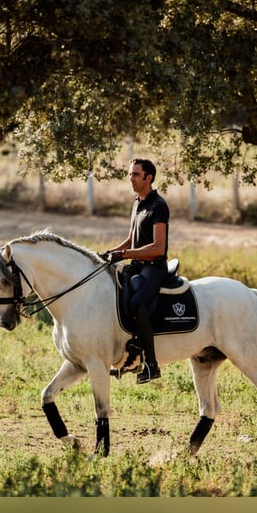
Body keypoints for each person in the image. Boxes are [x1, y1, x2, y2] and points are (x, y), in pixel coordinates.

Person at [105, 158, 169, 384]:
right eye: (130, 174)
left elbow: (158, 248)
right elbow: (132, 239)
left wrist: (126, 255)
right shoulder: (138, 203)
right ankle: (129, 355)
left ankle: (151, 364)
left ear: (148, 178)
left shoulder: (158, 206)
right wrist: (111, 252)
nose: (130, 179)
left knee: (137, 304)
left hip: (154, 267)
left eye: (135, 175)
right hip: (138, 266)